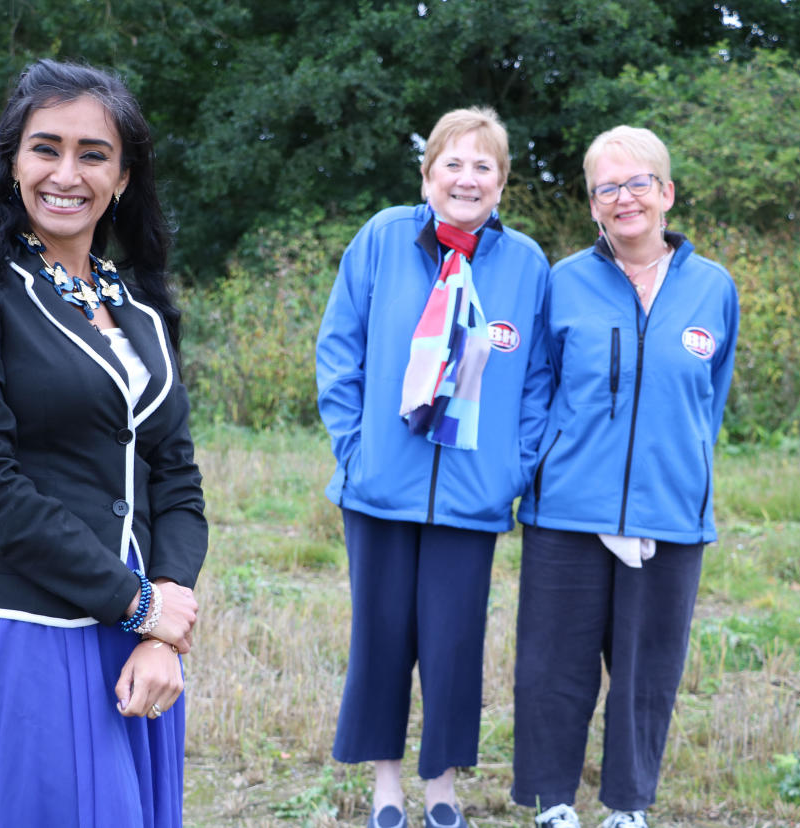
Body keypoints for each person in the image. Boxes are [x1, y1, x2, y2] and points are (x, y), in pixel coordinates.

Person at [0, 59, 207, 828]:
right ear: (13, 162)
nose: (67, 173)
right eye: (45, 148)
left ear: (123, 177)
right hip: (26, 629)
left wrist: (165, 625)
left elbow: (176, 477)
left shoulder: (140, 308)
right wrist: (137, 606)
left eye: (93, 154)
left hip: (132, 632)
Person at [316, 106, 551, 828]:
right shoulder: (383, 239)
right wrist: (355, 452)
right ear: (427, 176)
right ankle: (385, 783)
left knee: (453, 646)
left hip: (473, 496)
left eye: (484, 166)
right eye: (452, 163)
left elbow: (541, 379)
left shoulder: (527, 264)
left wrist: (515, 466)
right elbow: (339, 351)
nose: (467, 178)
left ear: (503, 184)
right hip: (380, 487)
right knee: (381, 637)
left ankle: (440, 784)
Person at [511, 125, 740, 828]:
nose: (624, 198)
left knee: (648, 676)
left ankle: (629, 806)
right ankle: (553, 803)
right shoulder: (563, 281)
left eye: (638, 182)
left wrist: (682, 473)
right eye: (607, 187)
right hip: (567, 513)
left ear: (666, 194)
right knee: (553, 671)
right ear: (592, 206)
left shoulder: (713, 289)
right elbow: (536, 389)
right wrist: (537, 470)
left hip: (668, 516)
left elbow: (711, 398)